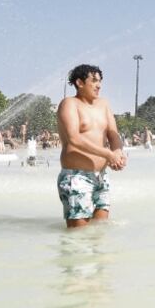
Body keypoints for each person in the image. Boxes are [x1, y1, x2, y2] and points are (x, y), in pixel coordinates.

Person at [56, 64, 127, 229]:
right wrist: (109, 155)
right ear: (80, 83)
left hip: (101, 177)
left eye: (100, 81)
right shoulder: (69, 104)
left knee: (99, 233)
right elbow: (74, 139)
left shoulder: (104, 105)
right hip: (77, 177)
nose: (99, 85)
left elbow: (113, 134)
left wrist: (117, 152)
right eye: (94, 81)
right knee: (78, 238)